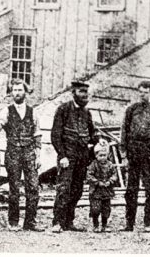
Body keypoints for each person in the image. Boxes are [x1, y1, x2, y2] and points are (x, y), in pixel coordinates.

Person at [0, 79, 42, 231]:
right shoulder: (6, 111)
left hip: (29, 153)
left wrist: (38, 155)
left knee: (33, 187)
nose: (17, 93)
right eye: (14, 90)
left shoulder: (33, 111)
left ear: (25, 92)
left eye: (20, 90)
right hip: (13, 153)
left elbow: (37, 134)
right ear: (11, 93)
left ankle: (30, 222)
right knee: (14, 188)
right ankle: (13, 222)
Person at [51, 80, 99, 233]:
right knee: (64, 188)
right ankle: (57, 222)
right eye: (81, 92)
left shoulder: (87, 113)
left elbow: (92, 134)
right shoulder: (63, 110)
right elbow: (55, 135)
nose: (85, 95)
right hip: (67, 156)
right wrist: (62, 155)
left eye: (86, 92)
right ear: (74, 93)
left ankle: (68, 222)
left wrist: (98, 138)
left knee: (77, 190)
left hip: (82, 157)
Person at [120, 80, 150, 232]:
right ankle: (129, 223)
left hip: (149, 150)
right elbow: (124, 132)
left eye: (145, 92)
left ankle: (148, 223)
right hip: (133, 150)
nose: (142, 94)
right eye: (140, 91)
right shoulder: (131, 109)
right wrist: (124, 155)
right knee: (131, 189)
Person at [87, 142, 118, 232]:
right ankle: (95, 225)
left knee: (106, 210)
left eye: (105, 155)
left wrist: (110, 181)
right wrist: (97, 182)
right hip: (96, 191)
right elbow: (89, 175)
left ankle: (104, 225)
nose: (103, 157)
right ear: (96, 155)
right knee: (95, 209)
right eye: (100, 155)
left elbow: (114, 174)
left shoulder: (110, 165)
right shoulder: (93, 165)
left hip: (107, 191)